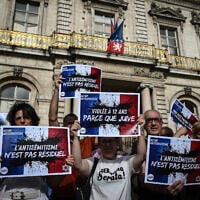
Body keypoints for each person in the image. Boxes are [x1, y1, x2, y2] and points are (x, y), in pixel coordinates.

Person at [0, 102, 74, 200]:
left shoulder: (44, 143)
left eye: (26, 117)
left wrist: (64, 167)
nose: (22, 121)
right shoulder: (2, 143)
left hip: (36, 196)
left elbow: (52, 184)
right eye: (18, 118)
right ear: (13, 121)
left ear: (33, 120)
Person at [48, 74, 96, 200]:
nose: (71, 125)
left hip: (83, 193)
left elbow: (100, 127)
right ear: (63, 126)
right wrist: (57, 90)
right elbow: (52, 118)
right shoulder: (60, 141)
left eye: (74, 122)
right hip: (61, 193)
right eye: (67, 123)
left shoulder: (88, 140)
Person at [71, 120, 147, 200]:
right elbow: (77, 164)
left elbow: (141, 156)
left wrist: (141, 131)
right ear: (99, 144)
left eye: (111, 141)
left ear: (117, 144)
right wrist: (76, 137)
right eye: (104, 141)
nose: (107, 145)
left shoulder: (126, 162)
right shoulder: (93, 163)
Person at [134, 110, 184, 200]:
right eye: (149, 120)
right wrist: (165, 190)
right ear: (144, 124)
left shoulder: (170, 143)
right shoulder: (139, 145)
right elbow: (142, 178)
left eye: (156, 120)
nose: (153, 123)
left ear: (161, 123)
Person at [173, 121, 200, 200]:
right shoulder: (189, 146)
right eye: (199, 133)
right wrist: (178, 133)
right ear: (194, 135)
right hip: (189, 188)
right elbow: (171, 151)